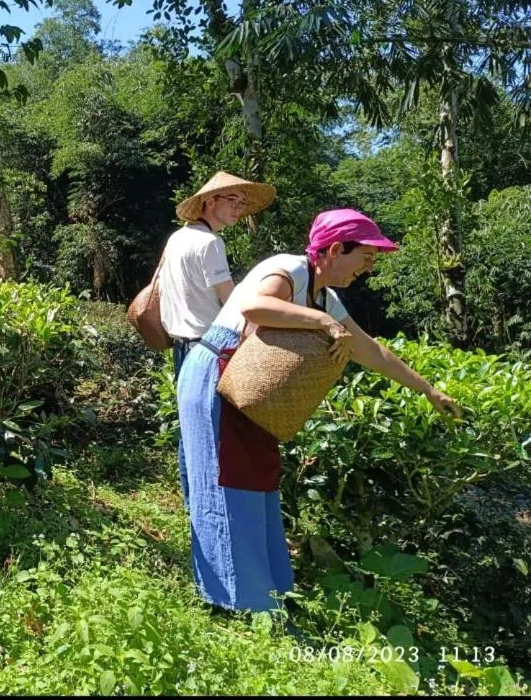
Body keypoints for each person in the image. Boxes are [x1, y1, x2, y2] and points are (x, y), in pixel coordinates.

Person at [175, 208, 461, 613]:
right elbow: (255, 306)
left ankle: (268, 596)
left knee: (256, 483)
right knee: (223, 486)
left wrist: (427, 389)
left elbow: (370, 350)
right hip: (216, 377)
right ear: (335, 248)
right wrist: (321, 322)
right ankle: (232, 603)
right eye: (365, 257)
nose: (368, 268)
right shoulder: (290, 267)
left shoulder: (326, 297)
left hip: (250, 392)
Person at [160, 171, 276, 375]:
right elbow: (231, 301)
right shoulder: (211, 242)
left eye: (242, 202)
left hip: (181, 348)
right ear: (210, 200)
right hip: (207, 348)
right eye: (232, 199)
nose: (238, 208)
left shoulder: (177, 237)